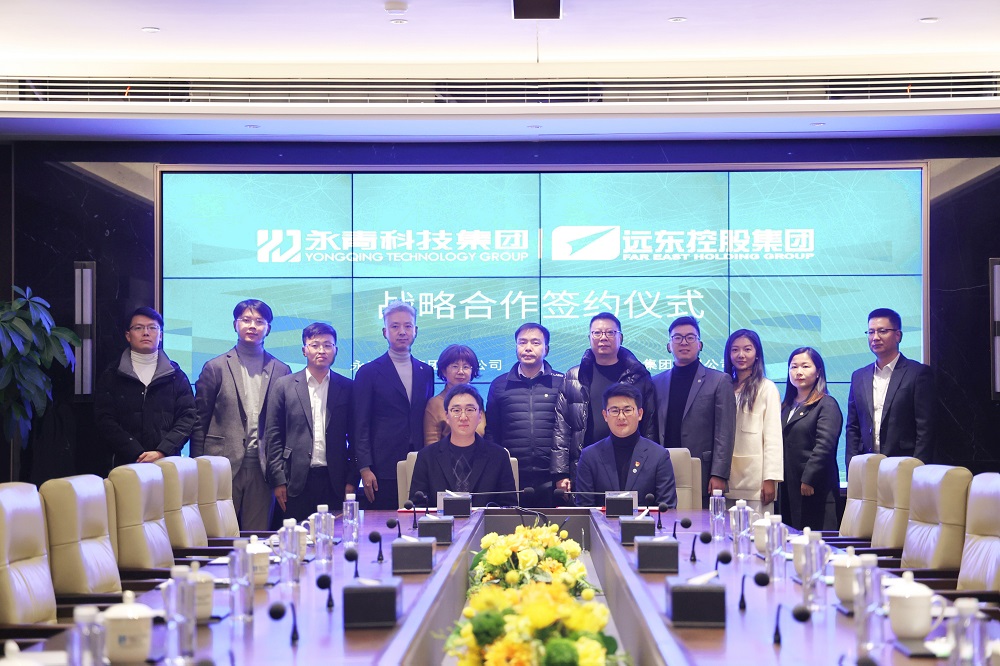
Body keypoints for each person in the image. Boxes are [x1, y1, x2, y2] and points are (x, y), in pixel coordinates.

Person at [191, 299, 291, 531]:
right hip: (220, 465)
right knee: (218, 535)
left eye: (259, 321)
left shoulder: (281, 370)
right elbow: (199, 421)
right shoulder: (215, 367)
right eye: (246, 320)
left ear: (268, 328)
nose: (252, 326)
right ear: (235, 324)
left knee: (256, 536)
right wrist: (197, 466)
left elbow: (282, 426)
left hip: (263, 469)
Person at [551, 312, 656, 493]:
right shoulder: (573, 377)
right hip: (585, 462)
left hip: (630, 460)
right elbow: (562, 427)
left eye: (610, 333)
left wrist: (650, 464)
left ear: (620, 337)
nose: (603, 338)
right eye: (597, 333)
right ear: (589, 338)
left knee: (628, 509)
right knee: (587, 508)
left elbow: (650, 425)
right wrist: (561, 472)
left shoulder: (639, 376)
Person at [264, 322, 353, 523]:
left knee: (335, 535)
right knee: (297, 536)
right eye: (315, 345)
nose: (321, 350)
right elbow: (273, 436)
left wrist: (351, 479)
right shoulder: (284, 386)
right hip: (294, 480)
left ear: (336, 350)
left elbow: (355, 436)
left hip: (335, 481)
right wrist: (278, 480)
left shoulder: (347, 387)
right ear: (304, 350)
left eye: (327, 345)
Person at [354, 300, 435, 509]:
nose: (402, 332)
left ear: (416, 330)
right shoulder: (368, 372)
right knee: (385, 521)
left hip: (420, 462)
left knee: (420, 520)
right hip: (382, 466)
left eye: (408, 326)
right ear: (385, 332)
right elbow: (360, 425)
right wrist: (364, 467)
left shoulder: (426, 372)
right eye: (395, 326)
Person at [95, 307, 196, 468]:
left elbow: (187, 417)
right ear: (128, 335)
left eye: (152, 327)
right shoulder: (112, 375)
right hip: (124, 463)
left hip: (167, 464)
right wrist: (135, 452)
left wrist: (162, 451)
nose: (146, 333)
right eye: (138, 328)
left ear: (161, 335)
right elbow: (105, 419)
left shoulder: (175, 375)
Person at [651, 316, 736, 503]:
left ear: (700, 345)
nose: (684, 342)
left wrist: (719, 474)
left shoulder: (719, 381)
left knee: (700, 519)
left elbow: (725, 432)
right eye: (677, 337)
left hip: (703, 471)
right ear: (669, 345)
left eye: (690, 337)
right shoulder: (656, 382)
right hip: (663, 467)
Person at [485, 323, 564, 508]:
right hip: (511, 475)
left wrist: (564, 472)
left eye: (535, 343)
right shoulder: (499, 385)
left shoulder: (562, 382)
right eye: (522, 342)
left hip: (551, 476)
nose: (528, 348)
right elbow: (492, 432)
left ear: (546, 349)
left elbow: (567, 430)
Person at [846, 307, 935, 468]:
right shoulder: (858, 376)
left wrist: (917, 469)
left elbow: (925, 429)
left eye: (882, 331)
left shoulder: (917, 373)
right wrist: (852, 466)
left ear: (898, 335)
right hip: (866, 468)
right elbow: (853, 428)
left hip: (903, 467)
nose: (875, 337)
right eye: (871, 332)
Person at [409, 384, 516, 507]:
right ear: (447, 416)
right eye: (456, 410)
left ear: (480, 416)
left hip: (485, 520)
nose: (463, 417)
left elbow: (509, 507)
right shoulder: (427, 456)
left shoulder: (499, 456)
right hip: (440, 520)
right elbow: (416, 506)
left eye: (470, 410)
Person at [574, 383, 677, 509]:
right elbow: (584, 510)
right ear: (605, 415)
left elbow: (667, 509)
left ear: (640, 414)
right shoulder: (589, 456)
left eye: (627, 410)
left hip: (647, 522)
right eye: (614, 411)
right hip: (602, 522)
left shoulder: (659, 456)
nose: (621, 417)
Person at [779, 347, 843, 531]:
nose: (798, 372)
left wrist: (809, 478)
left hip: (814, 488)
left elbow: (825, 446)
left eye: (805, 366)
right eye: (793, 367)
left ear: (818, 372)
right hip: (788, 487)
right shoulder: (786, 406)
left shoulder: (826, 404)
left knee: (814, 541)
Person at [723, 329, 782, 513]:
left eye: (747, 349)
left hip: (756, 483)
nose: (741, 355)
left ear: (757, 354)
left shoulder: (767, 388)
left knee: (758, 530)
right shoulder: (724, 386)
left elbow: (773, 437)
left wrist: (770, 478)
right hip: (726, 480)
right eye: (735, 350)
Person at [424, 344, 486, 444]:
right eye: (455, 366)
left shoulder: (477, 401)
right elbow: (431, 445)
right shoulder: (435, 404)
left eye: (466, 367)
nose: (460, 372)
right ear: (444, 371)